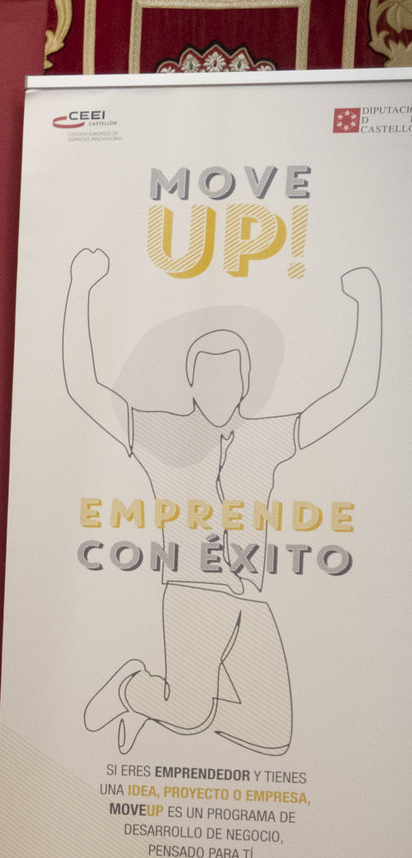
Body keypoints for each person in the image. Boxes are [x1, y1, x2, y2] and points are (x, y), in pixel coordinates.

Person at [64, 250, 380, 756]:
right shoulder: (159, 433)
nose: (218, 388)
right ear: (190, 382)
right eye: (207, 377)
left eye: (229, 377)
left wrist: (370, 300)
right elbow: (83, 386)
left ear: (245, 384)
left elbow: (355, 392)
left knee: (271, 732)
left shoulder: (267, 438)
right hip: (193, 591)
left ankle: (153, 705)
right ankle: (133, 689)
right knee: (189, 713)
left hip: (249, 595)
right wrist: (81, 284)